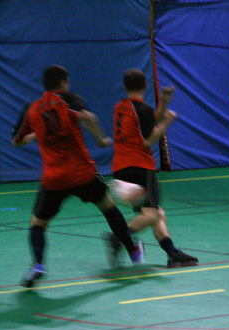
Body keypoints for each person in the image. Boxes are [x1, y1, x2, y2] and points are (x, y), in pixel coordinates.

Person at [11, 65, 144, 288]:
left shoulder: (32, 109)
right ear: (63, 83)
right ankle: (133, 251)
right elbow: (88, 117)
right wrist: (101, 140)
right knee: (108, 208)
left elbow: (16, 141)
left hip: (54, 179)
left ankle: (38, 264)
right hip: (83, 174)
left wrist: (35, 135)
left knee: (38, 224)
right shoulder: (69, 99)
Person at [108, 68, 198, 268]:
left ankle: (172, 253)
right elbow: (148, 140)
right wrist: (166, 123)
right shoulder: (142, 109)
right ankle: (120, 237)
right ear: (146, 85)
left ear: (124, 87)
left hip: (120, 169)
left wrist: (164, 103)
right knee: (151, 214)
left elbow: (146, 123)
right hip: (140, 167)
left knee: (157, 213)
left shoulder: (120, 107)